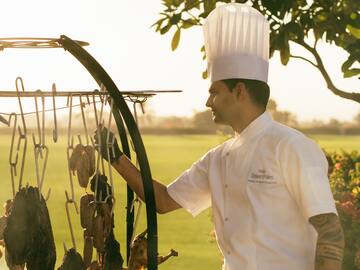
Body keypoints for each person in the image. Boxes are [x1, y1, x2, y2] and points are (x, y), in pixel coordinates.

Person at [95, 3, 345, 270]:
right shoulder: (218, 158)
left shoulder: (292, 147)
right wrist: (115, 156)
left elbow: (330, 232)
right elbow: (164, 201)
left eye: (214, 92)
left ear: (239, 91)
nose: (207, 102)